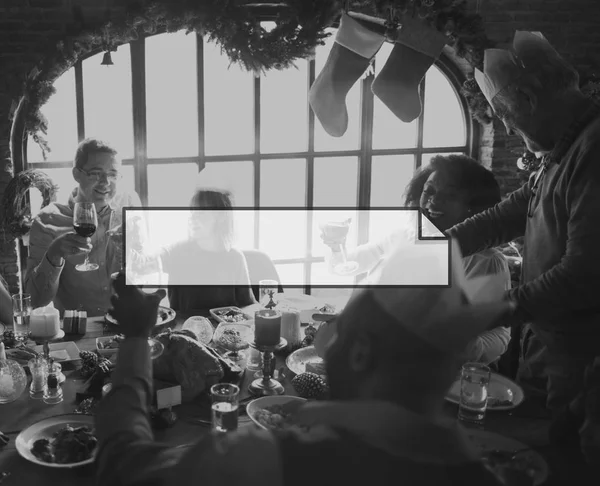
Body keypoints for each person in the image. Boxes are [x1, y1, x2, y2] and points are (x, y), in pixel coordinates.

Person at [96, 242, 511, 486]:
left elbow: (125, 468)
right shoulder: (486, 477)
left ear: (362, 352)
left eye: (338, 331)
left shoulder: (263, 459)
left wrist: (135, 338)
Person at [446, 30, 600, 418]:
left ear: (530, 99)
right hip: (549, 346)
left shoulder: (594, 151)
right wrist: (431, 249)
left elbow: (580, 276)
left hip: (584, 359)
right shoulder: (564, 148)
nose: (510, 130)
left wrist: (486, 312)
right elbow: (509, 213)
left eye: (506, 118)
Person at [322, 154, 511, 365]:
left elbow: (500, 337)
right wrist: (335, 246)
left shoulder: (485, 261)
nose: (433, 201)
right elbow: (344, 265)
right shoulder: (404, 236)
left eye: (449, 196)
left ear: (473, 207)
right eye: (428, 191)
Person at [25, 138, 141, 317]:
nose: (105, 182)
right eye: (96, 173)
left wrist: (134, 253)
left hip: (127, 324)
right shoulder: (47, 220)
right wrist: (54, 255)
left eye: (113, 174)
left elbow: (147, 273)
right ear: (76, 174)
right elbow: (35, 302)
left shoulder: (130, 205)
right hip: (77, 333)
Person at [131, 189, 256, 311]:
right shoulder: (177, 252)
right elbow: (142, 265)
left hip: (224, 330)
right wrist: (131, 240)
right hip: (183, 330)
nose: (192, 217)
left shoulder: (235, 258)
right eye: (192, 211)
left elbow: (248, 305)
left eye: (201, 212)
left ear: (221, 216)